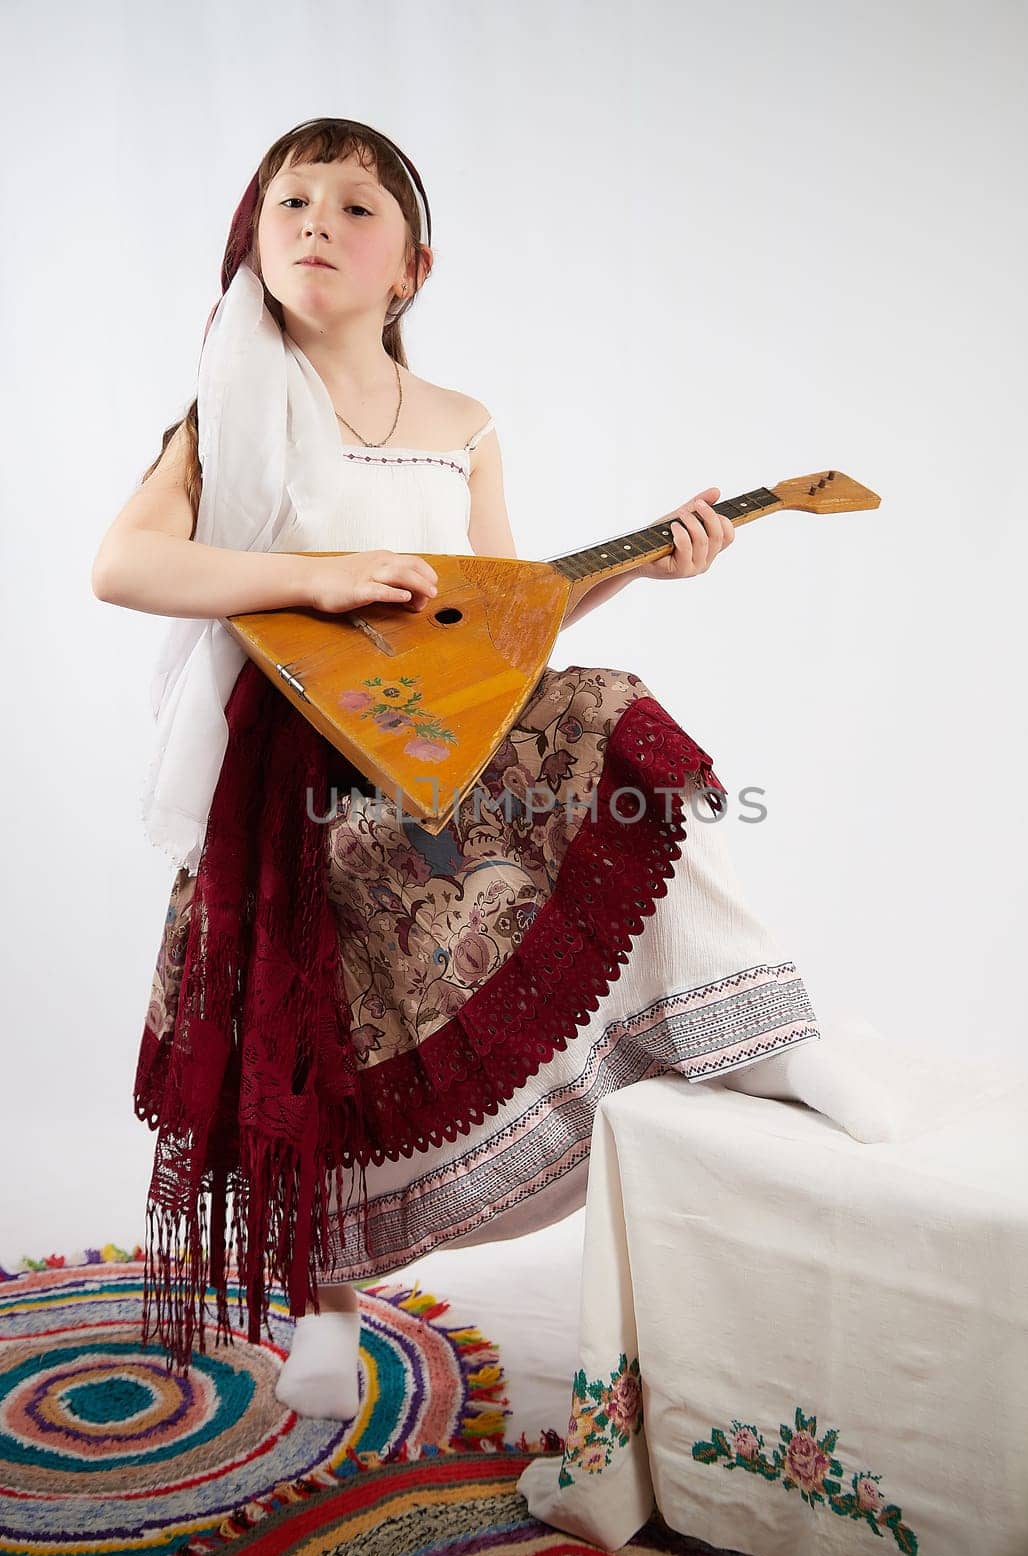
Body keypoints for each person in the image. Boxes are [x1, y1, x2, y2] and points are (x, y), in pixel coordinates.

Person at [91, 116, 820, 1421]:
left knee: (613, 729)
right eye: (290, 202)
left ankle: (754, 1022)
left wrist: (644, 561)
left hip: (437, 739)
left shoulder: (461, 426)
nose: (316, 221)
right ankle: (319, 1306)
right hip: (291, 770)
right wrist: (319, 575)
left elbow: (499, 617)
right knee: (321, 1028)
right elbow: (126, 565)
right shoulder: (224, 418)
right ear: (252, 245)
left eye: (354, 208)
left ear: (411, 268)